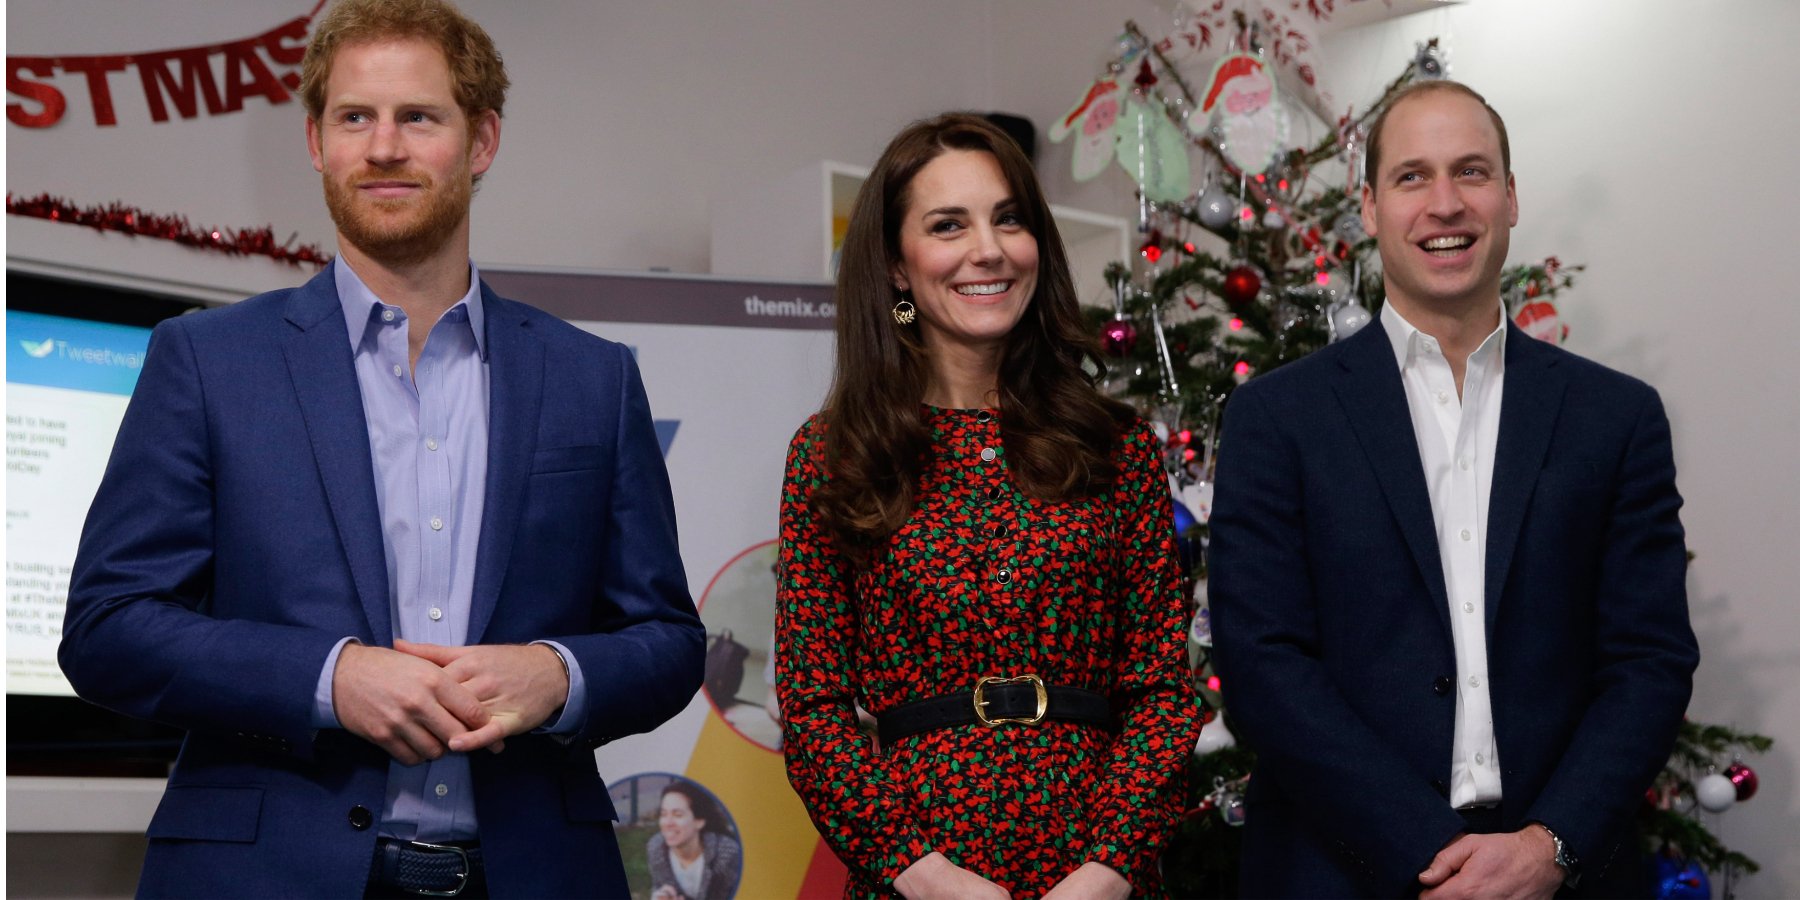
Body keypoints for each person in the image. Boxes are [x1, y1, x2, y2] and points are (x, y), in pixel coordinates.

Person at [57, 0, 703, 896]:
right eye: (354, 117)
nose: (385, 146)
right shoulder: (206, 361)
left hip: (534, 870)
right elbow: (107, 628)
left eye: (419, 117)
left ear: (481, 142)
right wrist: (331, 678)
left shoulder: (593, 378)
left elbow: (668, 641)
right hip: (267, 874)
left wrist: (557, 674)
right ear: (317, 143)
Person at [1208, 80, 1698, 898]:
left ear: (1509, 198)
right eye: (1412, 177)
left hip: (1562, 875)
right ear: (1367, 208)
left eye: (1471, 173)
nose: (1445, 204)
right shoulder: (1276, 418)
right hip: (1341, 870)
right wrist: (1432, 852)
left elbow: (1649, 661)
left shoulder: (1616, 417)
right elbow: (1264, 667)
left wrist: (1548, 847)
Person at [775, 113, 1200, 900]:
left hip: (1100, 864)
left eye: (1009, 218)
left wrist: (1108, 870)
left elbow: (1163, 695)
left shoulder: (1117, 447)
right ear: (898, 268)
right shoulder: (835, 455)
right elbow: (813, 712)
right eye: (948, 225)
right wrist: (925, 877)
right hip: (918, 871)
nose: (989, 249)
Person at [645, 781, 744, 900]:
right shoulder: (656, 848)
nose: (668, 823)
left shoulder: (727, 855)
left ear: (699, 821)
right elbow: (658, 886)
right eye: (663, 814)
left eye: (678, 815)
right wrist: (662, 895)